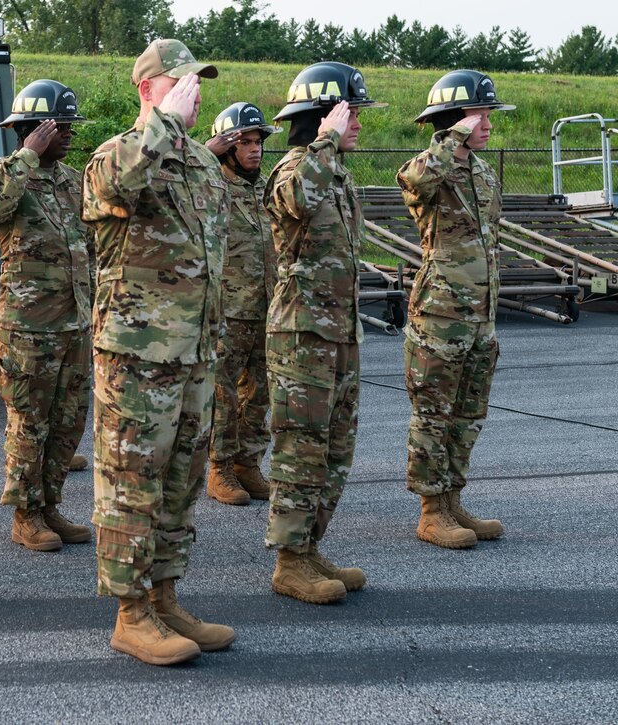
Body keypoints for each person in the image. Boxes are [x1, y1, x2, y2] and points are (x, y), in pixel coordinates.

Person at [82, 39, 235, 666]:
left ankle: (166, 596)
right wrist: (165, 122)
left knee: (180, 481)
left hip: (195, 353)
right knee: (131, 484)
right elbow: (119, 185)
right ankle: (131, 613)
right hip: (139, 357)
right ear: (149, 88)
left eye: (199, 81)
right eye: (183, 82)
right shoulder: (115, 156)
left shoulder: (201, 163)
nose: (197, 91)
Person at [262, 62, 386, 604]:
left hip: (338, 333)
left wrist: (330, 148)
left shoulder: (334, 173)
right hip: (301, 337)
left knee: (336, 448)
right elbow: (295, 199)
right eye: (348, 113)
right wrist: (326, 141)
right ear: (321, 117)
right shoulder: (295, 168)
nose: (357, 123)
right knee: (301, 450)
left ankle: (310, 547)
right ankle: (289, 562)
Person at [0, 80, 94, 552]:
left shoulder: (72, 179)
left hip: (74, 322)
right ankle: (26, 515)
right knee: (29, 422)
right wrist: (26, 154)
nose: (67, 134)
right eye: (57, 126)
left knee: (68, 422)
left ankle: (50, 505)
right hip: (29, 326)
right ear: (30, 129)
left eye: (68, 126)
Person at [397, 70, 513, 549]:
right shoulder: (428, 167)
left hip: (480, 314)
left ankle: (452, 499)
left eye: (488, 114)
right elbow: (415, 181)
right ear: (452, 121)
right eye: (479, 114)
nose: (488, 123)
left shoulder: (482, 172)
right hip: (441, 313)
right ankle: (430, 511)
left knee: (468, 412)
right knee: (434, 412)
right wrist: (451, 139)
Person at [203, 102, 282, 506]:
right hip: (227, 311)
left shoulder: (266, 188)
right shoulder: (210, 185)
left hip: (266, 306)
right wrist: (206, 152)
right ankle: (220, 469)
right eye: (245, 143)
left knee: (260, 392)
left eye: (258, 142)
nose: (255, 150)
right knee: (223, 394)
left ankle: (249, 464)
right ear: (226, 148)